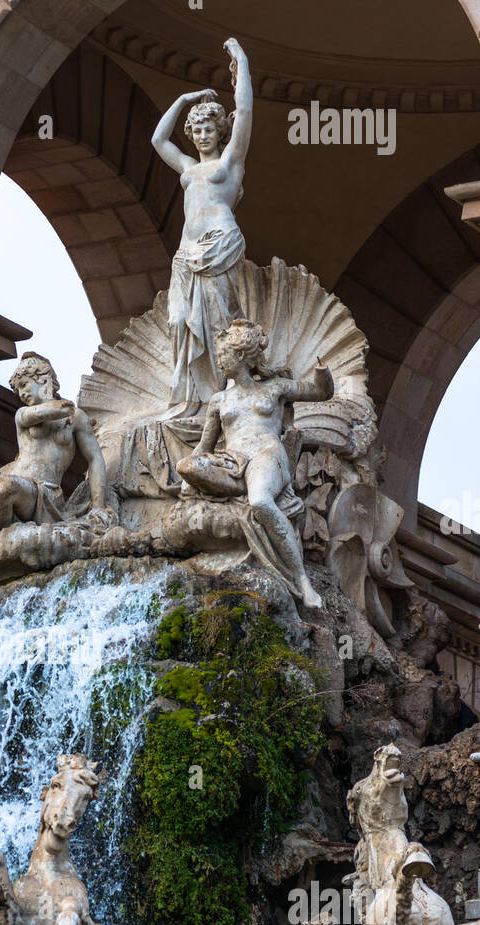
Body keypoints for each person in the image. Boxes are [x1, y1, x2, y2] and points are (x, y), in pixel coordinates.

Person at [178, 319, 333, 609]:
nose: (219, 362)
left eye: (223, 355)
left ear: (240, 356)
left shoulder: (274, 388)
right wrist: (187, 481)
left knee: (260, 502)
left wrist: (323, 372)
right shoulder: (219, 400)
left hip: (266, 454)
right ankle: (228, 491)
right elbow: (204, 447)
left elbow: (321, 393)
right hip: (231, 461)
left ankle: (302, 581)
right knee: (186, 466)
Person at [0, 352, 112, 613]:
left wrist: (99, 507)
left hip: (41, 492)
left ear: (43, 380)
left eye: (23, 385)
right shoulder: (25, 414)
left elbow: (96, 460)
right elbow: (52, 410)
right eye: (17, 388)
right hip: (7, 479)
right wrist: (64, 406)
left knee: (7, 489)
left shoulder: (76, 419)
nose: (20, 394)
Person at [151, 36, 252, 416]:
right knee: (179, 320)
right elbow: (158, 139)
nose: (203, 134)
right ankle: (191, 397)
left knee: (219, 320)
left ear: (220, 131)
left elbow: (243, 112)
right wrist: (183, 101)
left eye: (209, 128)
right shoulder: (187, 167)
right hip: (186, 254)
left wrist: (241, 62)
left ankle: (224, 392)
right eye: (197, 130)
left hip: (220, 243)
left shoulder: (230, 162)